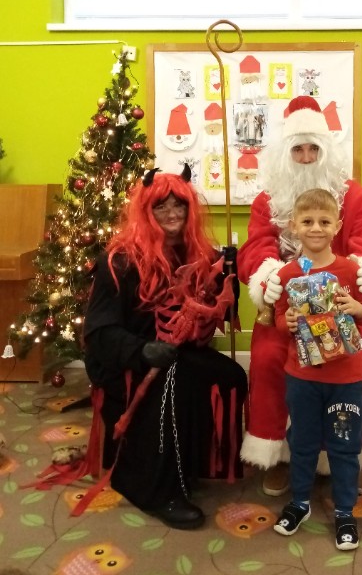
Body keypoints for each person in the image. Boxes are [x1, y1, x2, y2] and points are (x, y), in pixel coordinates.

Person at [238, 95, 362, 497]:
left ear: (326, 151)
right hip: (286, 310)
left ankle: (353, 455)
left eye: (313, 149)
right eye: (298, 150)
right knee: (269, 360)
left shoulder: (354, 197)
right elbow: (255, 247)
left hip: (343, 305)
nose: (306, 158)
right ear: (285, 153)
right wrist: (268, 277)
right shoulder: (267, 200)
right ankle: (282, 455)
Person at [84, 167, 247, 530]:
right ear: (147, 211)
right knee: (172, 379)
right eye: (162, 206)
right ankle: (158, 489)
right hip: (128, 361)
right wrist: (142, 351)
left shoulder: (199, 254)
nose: (173, 214)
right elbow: (99, 333)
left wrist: (229, 277)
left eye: (180, 206)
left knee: (230, 374)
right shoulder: (119, 261)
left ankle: (196, 464)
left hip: (179, 351)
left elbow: (222, 312)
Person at [273, 189, 362, 550]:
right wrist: (287, 320)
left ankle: (345, 511)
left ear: (338, 226)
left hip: (346, 379)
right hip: (302, 378)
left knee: (344, 446)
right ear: (293, 226)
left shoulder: (352, 270)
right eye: (307, 221)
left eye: (324, 221)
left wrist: (357, 309)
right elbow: (279, 319)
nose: (316, 228)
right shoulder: (287, 274)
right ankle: (299, 502)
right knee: (302, 442)